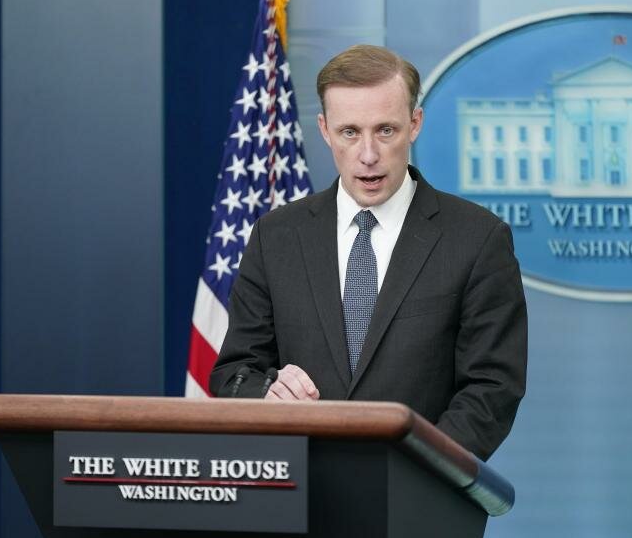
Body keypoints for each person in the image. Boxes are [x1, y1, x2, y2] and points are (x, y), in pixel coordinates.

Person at [210, 44, 527, 461]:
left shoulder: (477, 238)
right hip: (301, 485)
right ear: (325, 130)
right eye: (350, 132)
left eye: (385, 130)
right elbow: (234, 373)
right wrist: (269, 392)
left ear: (414, 124)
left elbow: (491, 389)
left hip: (420, 488)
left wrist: (421, 472)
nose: (368, 155)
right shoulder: (276, 236)